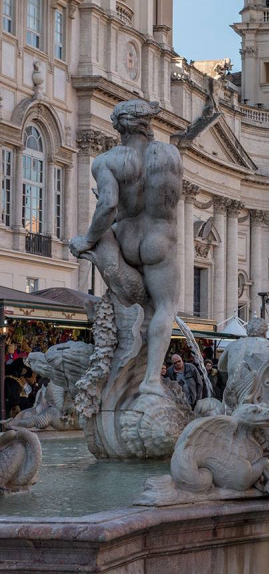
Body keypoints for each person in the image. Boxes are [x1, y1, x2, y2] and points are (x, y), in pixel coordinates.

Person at [68, 99, 182, 398]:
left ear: (118, 126)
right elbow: (171, 202)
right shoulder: (170, 154)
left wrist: (89, 240)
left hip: (125, 239)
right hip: (159, 238)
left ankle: (121, 369)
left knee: (124, 301)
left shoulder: (107, 161)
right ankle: (151, 381)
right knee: (164, 308)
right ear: (148, 124)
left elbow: (107, 206)